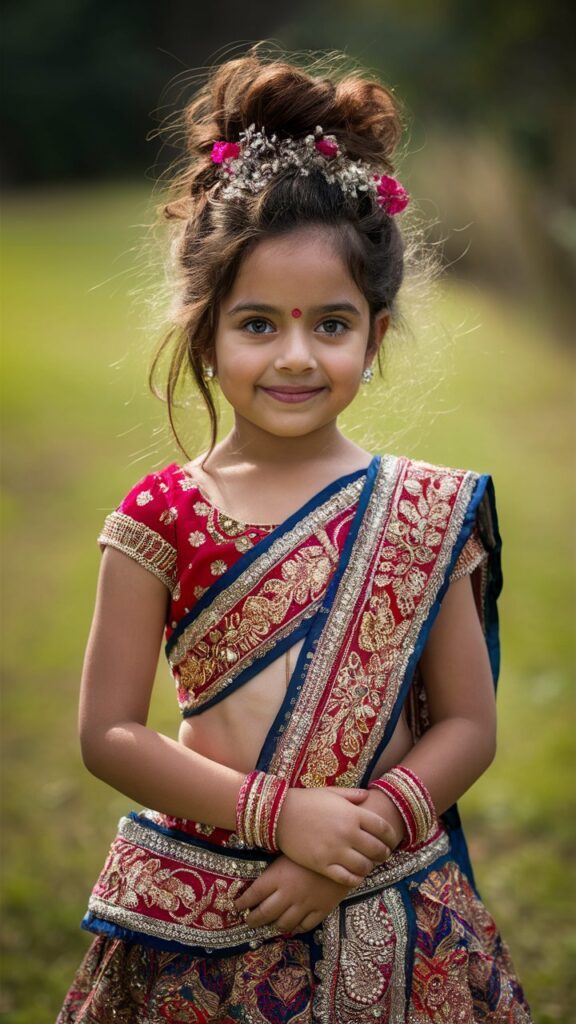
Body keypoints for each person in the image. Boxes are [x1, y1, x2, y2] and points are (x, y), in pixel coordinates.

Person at [58, 49, 532, 1024]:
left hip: (396, 909)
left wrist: (351, 841)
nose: (296, 355)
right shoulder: (160, 514)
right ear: (207, 325)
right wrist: (284, 818)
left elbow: (468, 727)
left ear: (377, 331)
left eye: (331, 324)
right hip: (208, 914)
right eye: (260, 324)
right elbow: (108, 731)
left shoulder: (422, 514)